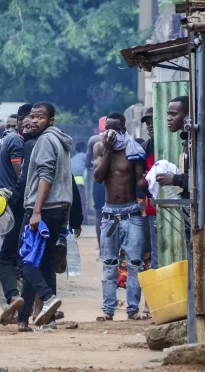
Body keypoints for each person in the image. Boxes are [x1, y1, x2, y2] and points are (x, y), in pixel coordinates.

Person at [17, 102, 73, 331]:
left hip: (45, 209)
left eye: (39, 117)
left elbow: (46, 175)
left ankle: (48, 298)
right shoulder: (59, 140)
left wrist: (36, 211)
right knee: (44, 263)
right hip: (58, 208)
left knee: (26, 261)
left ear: (50, 120)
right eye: (32, 116)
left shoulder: (46, 141)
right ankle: (31, 319)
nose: (33, 121)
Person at [93, 112, 148, 321]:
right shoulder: (100, 147)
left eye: (115, 128)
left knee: (135, 263)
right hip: (110, 215)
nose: (111, 132)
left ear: (123, 129)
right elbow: (98, 177)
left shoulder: (133, 149)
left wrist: (155, 177)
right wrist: (107, 149)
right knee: (109, 264)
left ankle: (132, 310)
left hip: (131, 213)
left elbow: (139, 182)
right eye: (108, 127)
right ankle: (108, 311)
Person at [0, 104, 34, 324]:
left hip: (9, 204)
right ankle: (27, 305)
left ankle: (16, 300)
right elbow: (22, 179)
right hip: (17, 205)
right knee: (21, 257)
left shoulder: (12, 141)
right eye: (27, 121)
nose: (29, 125)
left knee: (11, 256)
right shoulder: (19, 143)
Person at [156, 96, 189, 199]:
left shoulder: (196, 142)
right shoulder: (188, 141)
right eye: (168, 114)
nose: (169, 118)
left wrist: (175, 179)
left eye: (174, 114)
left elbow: (202, 179)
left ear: (187, 116)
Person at [139, 107, 158, 269]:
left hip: (174, 207)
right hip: (152, 207)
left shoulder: (170, 145)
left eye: (153, 122)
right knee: (155, 253)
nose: (150, 126)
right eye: (148, 123)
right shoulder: (145, 148)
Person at [86, 117, 107, 249]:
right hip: (117, 182)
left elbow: (87, 163)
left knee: (99, 216)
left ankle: (101, 249)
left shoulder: (94, 140)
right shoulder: (121, 139)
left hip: (99, 183)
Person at [71, 142, 87, 219]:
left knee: (74, 202)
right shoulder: (84, 156)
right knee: (82, 201)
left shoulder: (73, 158)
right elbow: (89, 164)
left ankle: (74, 218)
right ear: (83, 149)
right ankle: (83, 219)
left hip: (71, 182)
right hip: (79, 181)